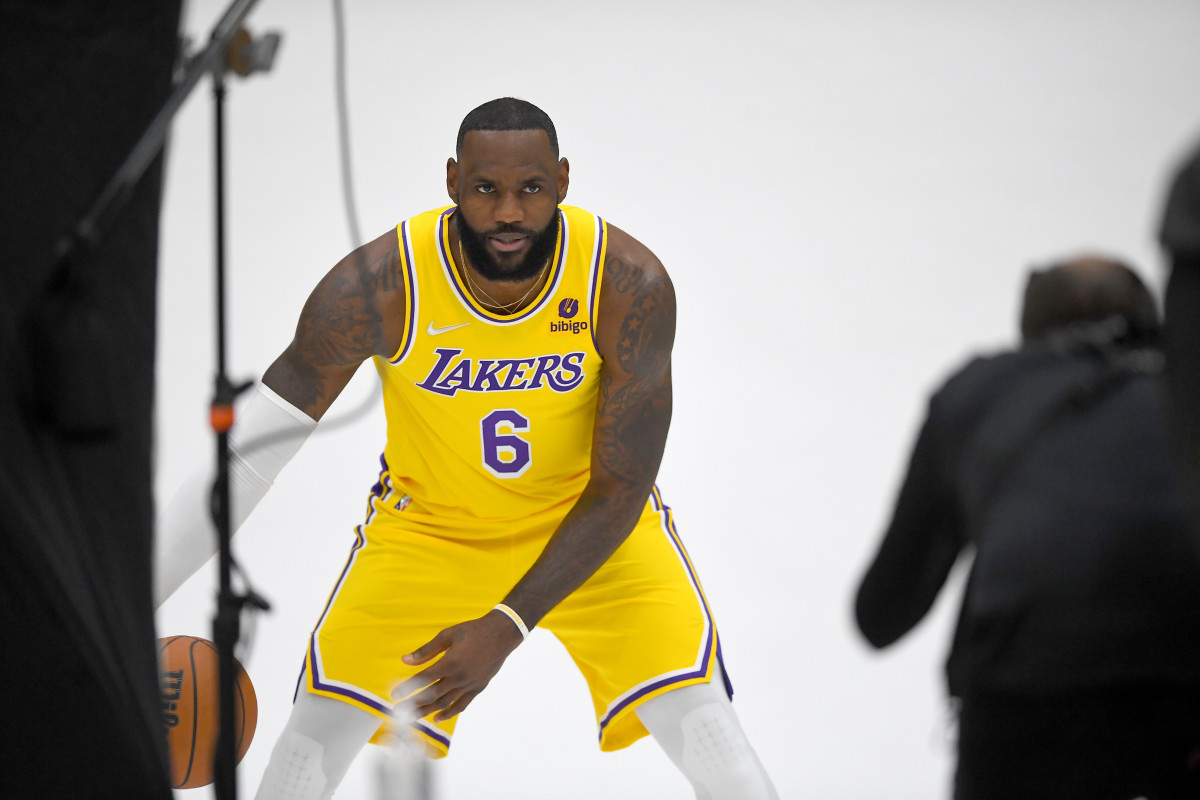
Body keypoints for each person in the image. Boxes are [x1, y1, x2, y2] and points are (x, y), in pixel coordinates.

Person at [156, 97, 777, 800]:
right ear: (453, 182)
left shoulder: (627, 284)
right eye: (486, 189)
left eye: (531, 189)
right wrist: (126, 601)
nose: (508, 212)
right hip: (428, 534)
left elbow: (622, 487)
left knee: (718, 748)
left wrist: (508, 625)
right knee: (301, 761)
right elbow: (249, 457)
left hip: (594, 529)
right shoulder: (378, 286)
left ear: (564, 182)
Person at [854, 256, 1200, 800]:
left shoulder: (980, 392)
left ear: (1029, 331)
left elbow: (882, 614)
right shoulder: (1186, 389)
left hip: (1029, 699)